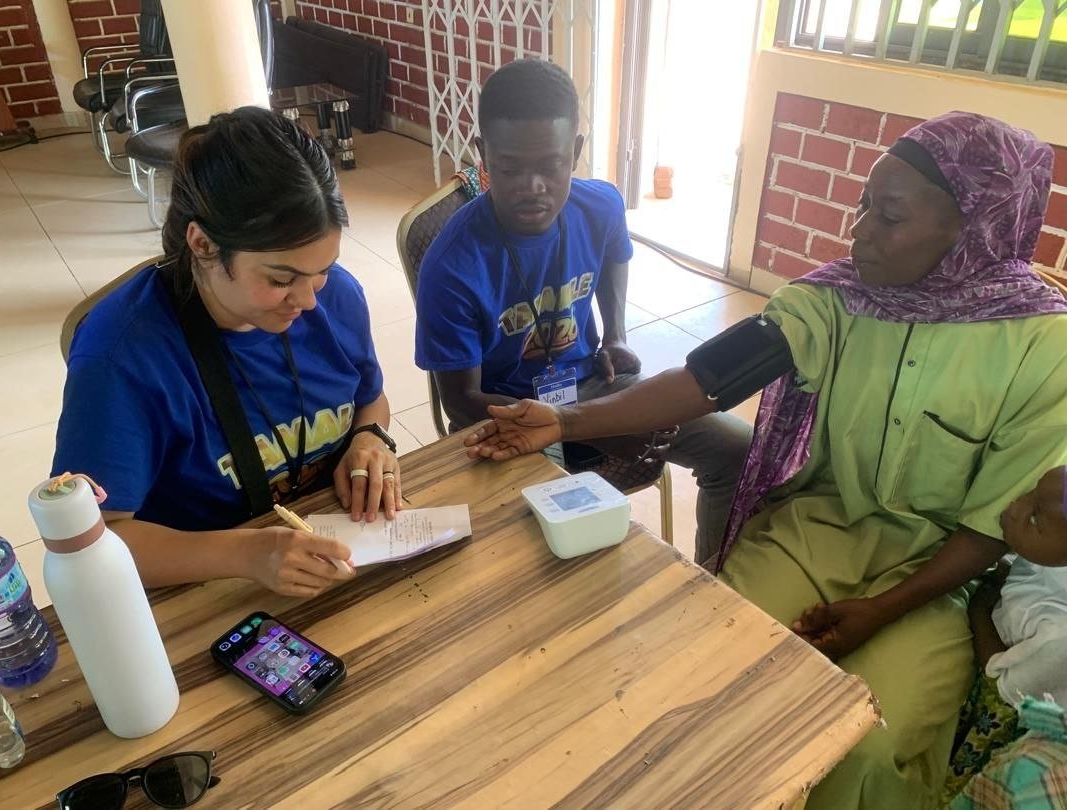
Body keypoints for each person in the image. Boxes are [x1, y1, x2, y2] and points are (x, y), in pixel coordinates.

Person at [463, 111, 1067, 808]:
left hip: (935, 577)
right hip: (814, 531)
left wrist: (882, 609)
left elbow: (995, 522)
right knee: (710, 679)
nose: (860, 229)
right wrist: (567, 419)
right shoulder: (838, 300)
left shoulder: (1042, 348)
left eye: (889, 216)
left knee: (866, 746)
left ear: (971, 230)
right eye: (864, 203)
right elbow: (704, 380)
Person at [52, 106, 402, 599]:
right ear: (202, 244)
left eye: (322, 270)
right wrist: (246, 554)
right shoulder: (122, 356)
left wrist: (371, 437)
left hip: (331, 560)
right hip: (203, 589)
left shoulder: (336, 296)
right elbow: (89, 538)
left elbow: (370, 397)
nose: (308, 300)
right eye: (281, 279)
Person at [413, 59, 752, 563]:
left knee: (738, 449)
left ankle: (717, 580)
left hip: (592, 387)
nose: (532, 186)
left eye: (550, 166)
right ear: (483, 155)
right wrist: (588, 426)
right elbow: (461, 401)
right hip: (506, 417)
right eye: (509, 168)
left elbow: (616, 254)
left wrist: (614, 334)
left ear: (575, 152)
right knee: (560, 545)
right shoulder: (451, 265)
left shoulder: (602, 205)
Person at [942, 466, 1067, 804]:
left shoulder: (1059, 638)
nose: (1014, 507)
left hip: (1007, 704)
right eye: (1031, 492)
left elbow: (1000, 683)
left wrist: (979, 608)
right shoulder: (1048, 552)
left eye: (1035, 517)